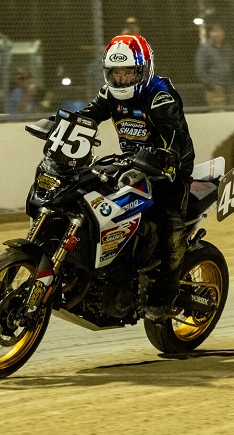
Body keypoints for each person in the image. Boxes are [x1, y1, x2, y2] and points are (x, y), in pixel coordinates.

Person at [78, 34, 196, 321]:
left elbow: (175, 136)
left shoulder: (160, 96)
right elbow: (89, 115)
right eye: (116, 73)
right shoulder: (110, 93)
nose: (121, 79)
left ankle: (165, 294)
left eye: (128, 72)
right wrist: (63, 125)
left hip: (169, 172)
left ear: (142, 70)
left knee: (170, 223)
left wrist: (167, 156)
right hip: (130, 166)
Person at [194, 23, 234, 107]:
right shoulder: (204, 50)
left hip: (229, 88)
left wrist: (233, 82)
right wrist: (212, 84)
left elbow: (233, 66)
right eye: (215, 31)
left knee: (231, 116)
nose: (218, 34)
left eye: (220, 31)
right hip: (214, 91)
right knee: (219, 116)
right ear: (210, 33)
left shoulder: (228, 48)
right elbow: (200, 70)